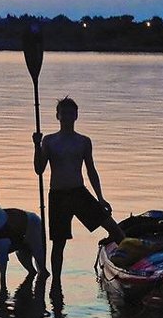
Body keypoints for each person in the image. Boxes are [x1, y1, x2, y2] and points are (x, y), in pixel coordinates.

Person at [33, 96, 124, 280]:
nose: (66, 116)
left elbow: (91, 170)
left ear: (76, 116)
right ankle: (56, 283)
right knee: (59, 244)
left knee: (115, 231)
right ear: (57, 116)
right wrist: (36, 145)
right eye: (63, 113)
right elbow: (39, 169)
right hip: (58, 196)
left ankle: (128, 267)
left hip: (79, 193)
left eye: (70, 113)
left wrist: (100, 198)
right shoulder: (49, 141)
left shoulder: (83, 141)